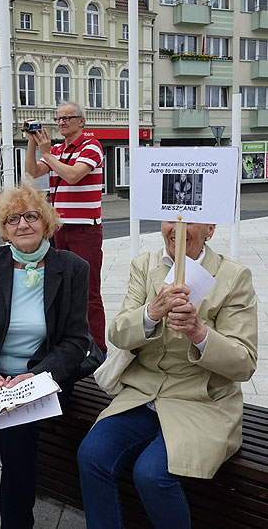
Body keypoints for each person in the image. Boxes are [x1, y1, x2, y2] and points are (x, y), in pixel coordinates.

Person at [77, 222, 258, 529]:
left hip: (201, 399)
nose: (176, 227)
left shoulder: (232, 277)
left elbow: (244, 363)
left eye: (188, 219)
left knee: (152, 474)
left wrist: (199, 333)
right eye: (169, 218)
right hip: (144, 392)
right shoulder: (145, 265)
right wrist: (150, 313)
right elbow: (118, 334)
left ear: (210, 229)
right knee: (91, 455)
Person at [0, 179, 92, 529]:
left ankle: (14, 521)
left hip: (39, 378)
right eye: (12, 219)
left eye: (31, 216)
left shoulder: (72, 267)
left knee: (14, 433)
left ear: (46, 223)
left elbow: (76, 342)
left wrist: (37, 376)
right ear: (4, 230)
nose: (23, 224)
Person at [25, 102, 106, 353]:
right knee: (60, 287)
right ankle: (70, 342)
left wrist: (47, 154)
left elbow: (73, 175)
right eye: (59, 119)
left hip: (85, 230)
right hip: (60, 229)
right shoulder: (57, 148)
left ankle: (98, 348)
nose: (61, 123)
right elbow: (31, 173)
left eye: (67, 118)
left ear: (81, 121)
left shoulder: (92, 146)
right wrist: (32, 142)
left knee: (88, 291)